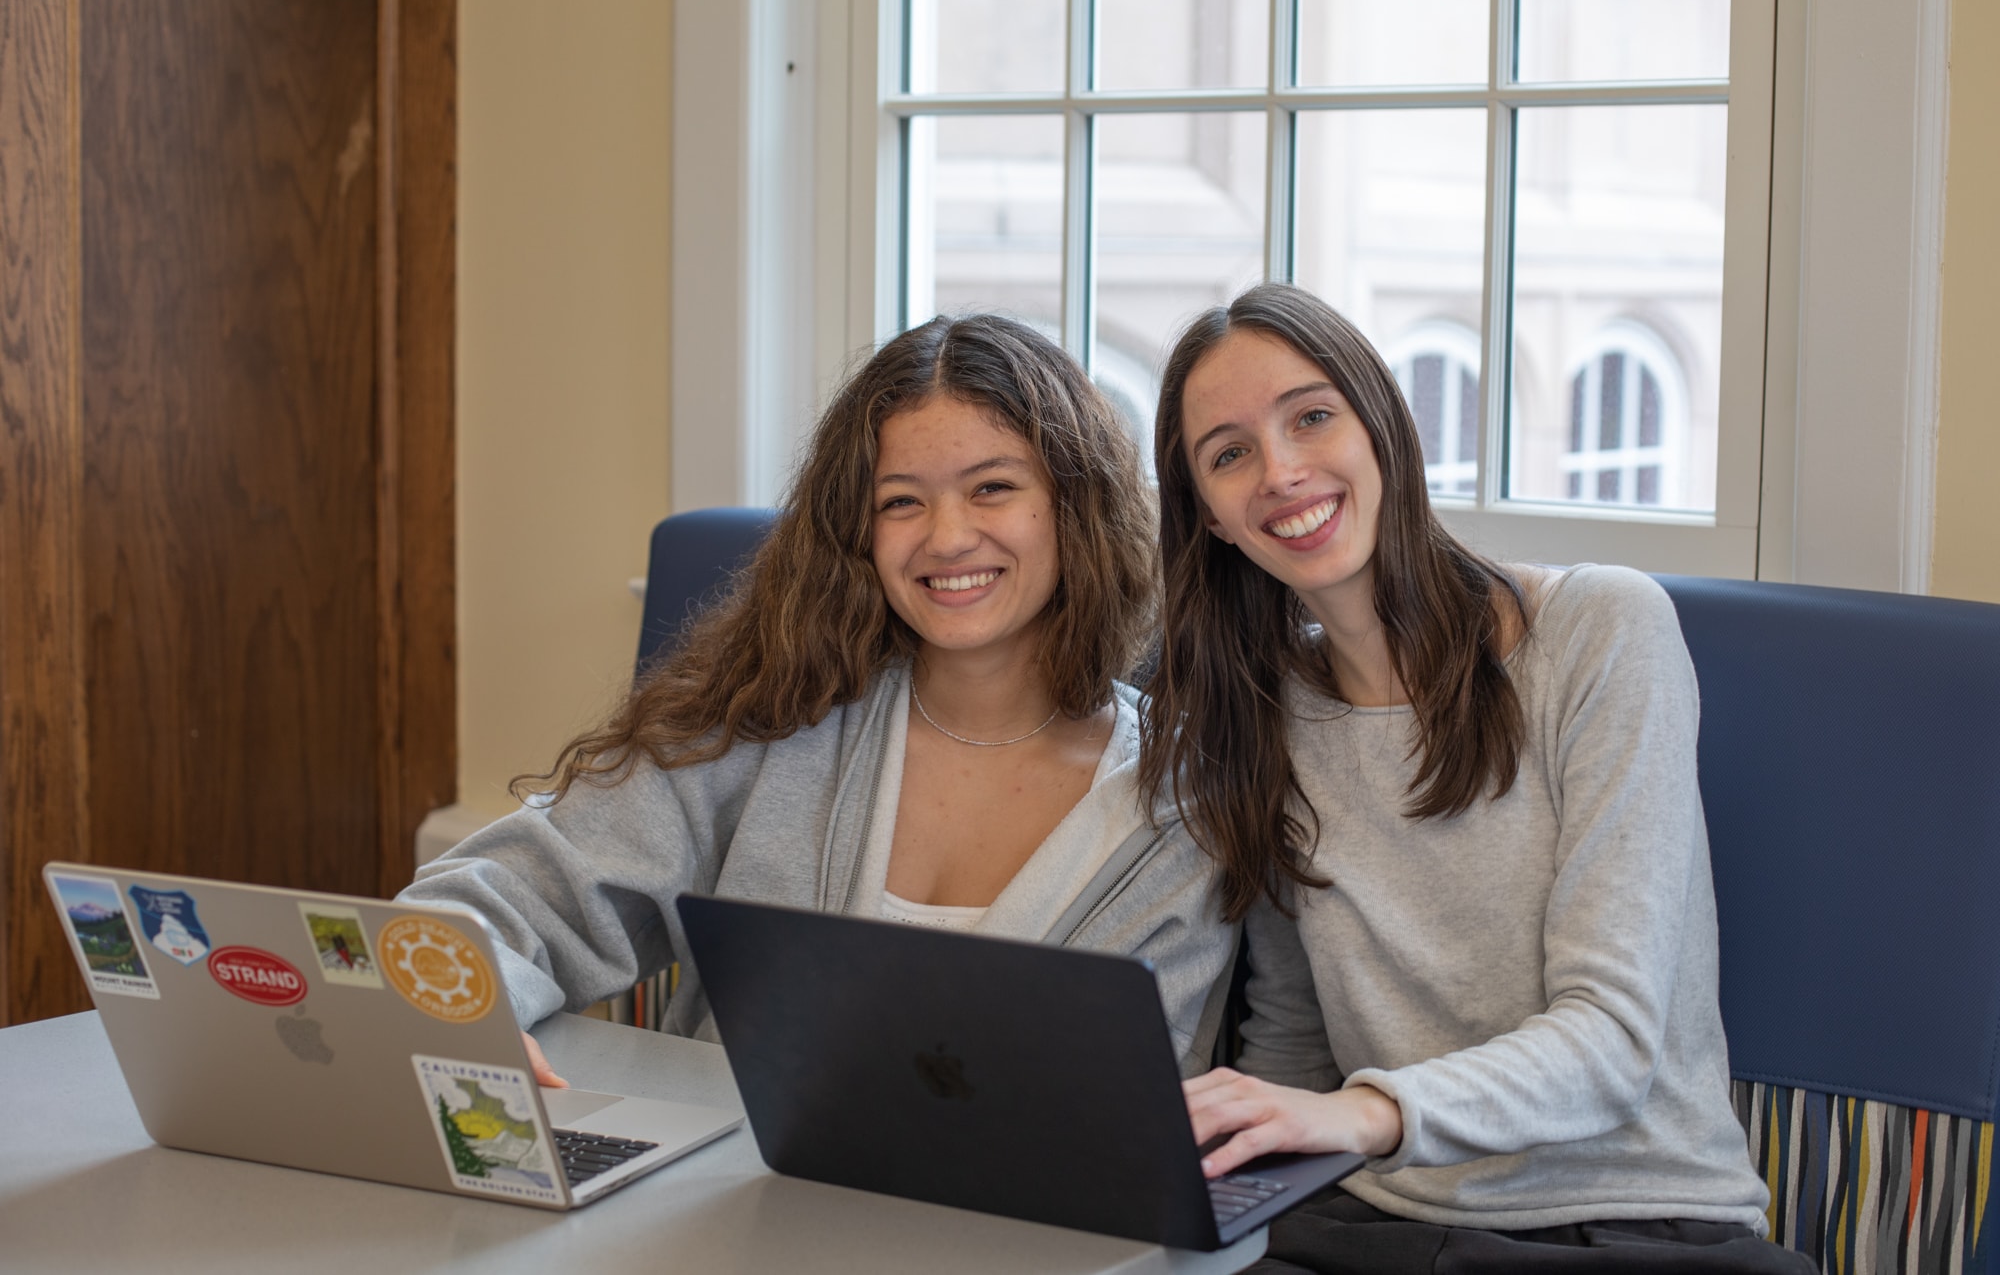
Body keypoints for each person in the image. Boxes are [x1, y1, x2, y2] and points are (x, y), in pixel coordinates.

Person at [1138, 283, 1806, 1272]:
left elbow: (1613, 1044)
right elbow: (1292, 1041)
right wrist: (1231, 1180)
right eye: (1228, 454)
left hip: (1627, 1224)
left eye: (1310, 417)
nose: (1279, 472)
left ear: (1384, 430)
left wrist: (1358, 1114)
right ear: (1212, 521)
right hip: (1367, 1226)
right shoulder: (1257, 712)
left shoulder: (1600, 630)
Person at [402, 314, 1235, 1088]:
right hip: (725, 1210)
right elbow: (501, 895)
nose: (946, 537)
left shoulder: (1180, 801)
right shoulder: (770, 721)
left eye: (992, 488)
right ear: (857, 534)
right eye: (900, 501)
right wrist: (462, 1012)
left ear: (1074, 508)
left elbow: (1137, 1105)